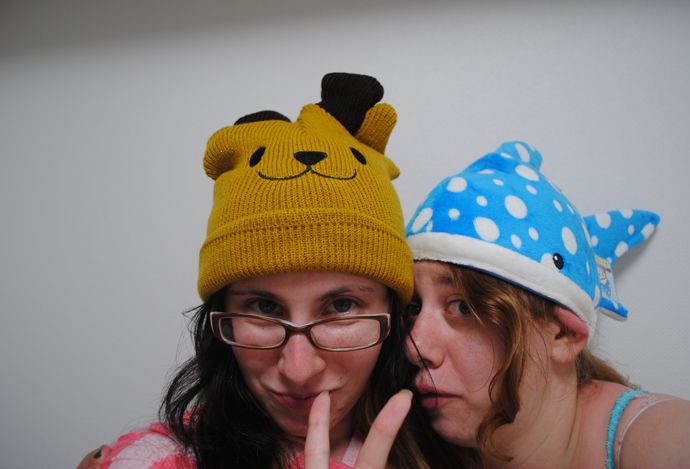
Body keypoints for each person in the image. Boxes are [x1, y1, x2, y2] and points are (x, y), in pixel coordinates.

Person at [76, 73, 466, 469]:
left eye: (342, 305)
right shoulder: (155, 461)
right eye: (263, 307)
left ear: (394, 315)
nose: (298, 371)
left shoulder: (463, 450)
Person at [403, 141, 690, 467]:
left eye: (463, 307)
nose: (415, 347)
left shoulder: (646, 439)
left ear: (562, 332)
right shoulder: (414, 445)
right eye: (414, 309)